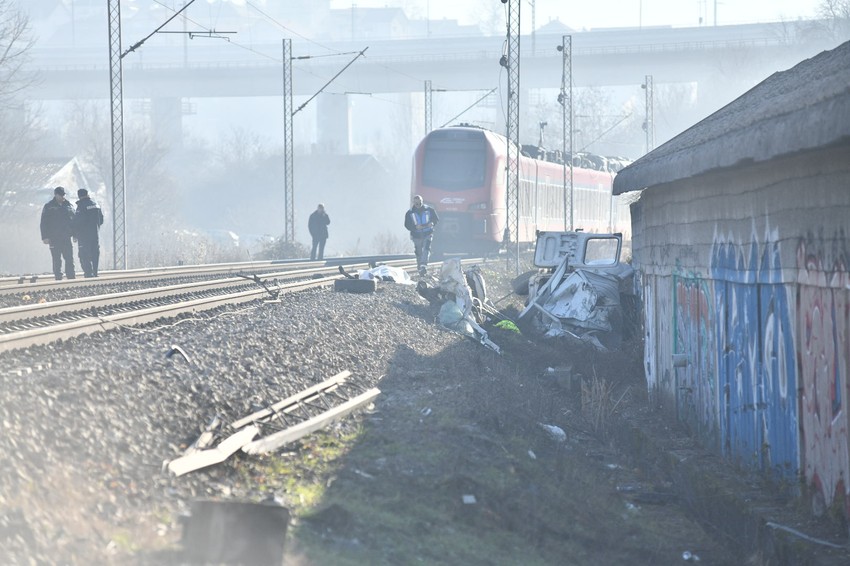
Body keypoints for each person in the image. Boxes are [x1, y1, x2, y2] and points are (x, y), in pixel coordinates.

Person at [40, 186, 76, 280]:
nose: (62, 197)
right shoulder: (48, 206)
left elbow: (74, 221)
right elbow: (43, 222)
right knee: (56, 258)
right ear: (55, 195)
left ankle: (71, 275)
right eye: (60, 195)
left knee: (69, 257)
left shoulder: (69, 205)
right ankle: (58, 276)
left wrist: (75, 234)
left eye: (63, 195)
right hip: (54, 237)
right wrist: (45, 236)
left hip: (66, 237)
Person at [404, 194, 439, 276]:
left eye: (420, 203)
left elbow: (436, 219)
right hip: (416, 235)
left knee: (427, 248)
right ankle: (420, 267)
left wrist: (432, 223)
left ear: (422, 202)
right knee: (418, 252)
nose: (418, 205)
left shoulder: (430, 210)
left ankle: (424, 265)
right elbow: (407, 225)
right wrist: (415, 227)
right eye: (416, 204)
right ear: (414, 203)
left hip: (428, 233)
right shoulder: (409, 213)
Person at [73, 188, 104, 278]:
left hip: (84, 236)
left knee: (84, 254)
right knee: (95, 253)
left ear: (79, 196)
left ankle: (88, 273)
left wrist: (75, 233)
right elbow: (101, 220)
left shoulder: (81, 206)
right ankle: (95, 272)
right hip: (95, 234)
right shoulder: (96, 205)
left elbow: (78, 222)